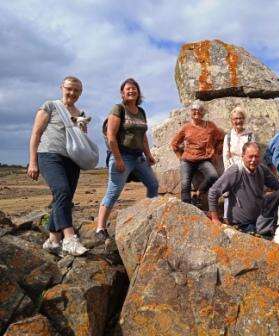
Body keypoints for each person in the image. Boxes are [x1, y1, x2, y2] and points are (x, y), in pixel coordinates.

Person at [27, 76, 88, 256]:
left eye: (76, 90)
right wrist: (32, 162)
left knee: (63, 198)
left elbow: (81, 138)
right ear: (62, 87)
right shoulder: (50, 106)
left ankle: (53, 241)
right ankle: (69, 239)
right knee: (62, 191)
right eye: (69, 89)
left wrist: (83, 128)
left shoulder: (80, 113)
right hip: (49, 155)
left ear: (80, 92)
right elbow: (35, 134)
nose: (72, 93)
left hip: (72, 159)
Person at [95, 78, 159, 241]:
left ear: (138, 92)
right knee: (114, 191)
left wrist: (148, 155)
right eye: (128, 89)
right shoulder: (118, 109)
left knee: (153, 184)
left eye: (134, 88)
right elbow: (110, 136)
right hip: (121, 155)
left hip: (138, 156)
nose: (131, 91)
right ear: (122, 93)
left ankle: (149, 215)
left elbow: (143, 136)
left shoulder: (141, 111)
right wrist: (118, 159)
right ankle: (100, 227)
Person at [209, 142, 279, 233]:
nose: (253, 160)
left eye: (256, 156)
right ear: (243, 156)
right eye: (250, 156)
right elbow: (213, 192)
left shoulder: (262, 169)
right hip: (240, 225)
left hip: (258, 222)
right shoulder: (235, 171)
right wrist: (215, 219)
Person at [171, 101, 224, 205]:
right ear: (190, 112)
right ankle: (186, 207)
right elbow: (174, 143)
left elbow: (220, 138)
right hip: (187, 160)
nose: (196, 112)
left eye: (199, 110)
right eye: (194, 110)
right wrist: (180, 158)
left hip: (204, 160)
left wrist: (216, 152)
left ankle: (198, 193)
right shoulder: (186, 127)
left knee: (213, 176)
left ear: (203, 112)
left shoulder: (210, 126)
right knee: (185, 184)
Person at [222, 106, 256, 222]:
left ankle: (244, 221)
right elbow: (225, 156)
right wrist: (228, 172)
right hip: (232, 168)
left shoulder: (250, 135)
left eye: (240, 118)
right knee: (229, 194)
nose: (238, 121)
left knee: (246, 194)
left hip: (246, 168)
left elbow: (253, 153)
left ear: (244, 119)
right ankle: (227, 219)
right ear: (232, 121)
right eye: (235, 119)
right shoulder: (228, 137)